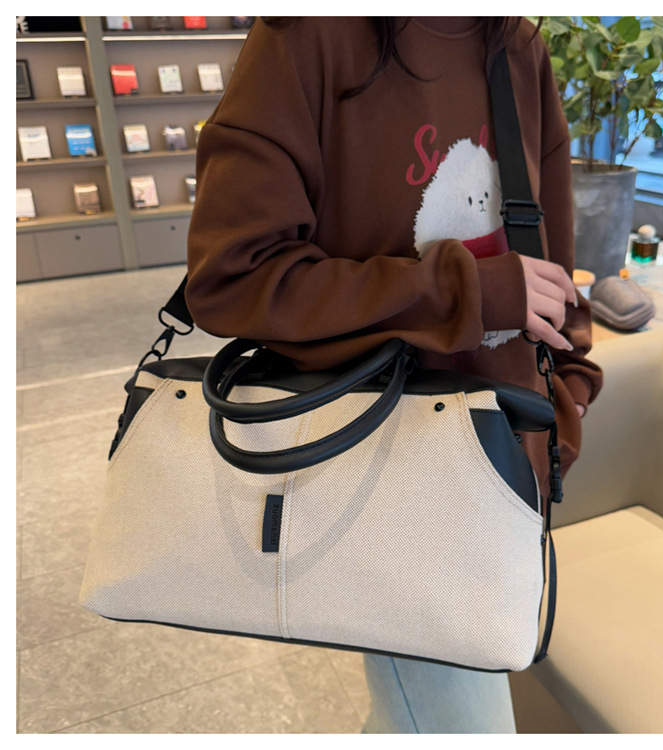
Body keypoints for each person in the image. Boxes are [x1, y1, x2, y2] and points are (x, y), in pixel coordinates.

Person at [186, 16, 602, 734]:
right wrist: (466, 292)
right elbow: (234, 279)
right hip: (387, 470)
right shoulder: (308, 36)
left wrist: (570, 383)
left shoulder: (516, 45)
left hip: (508, 464)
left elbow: (550, 270)